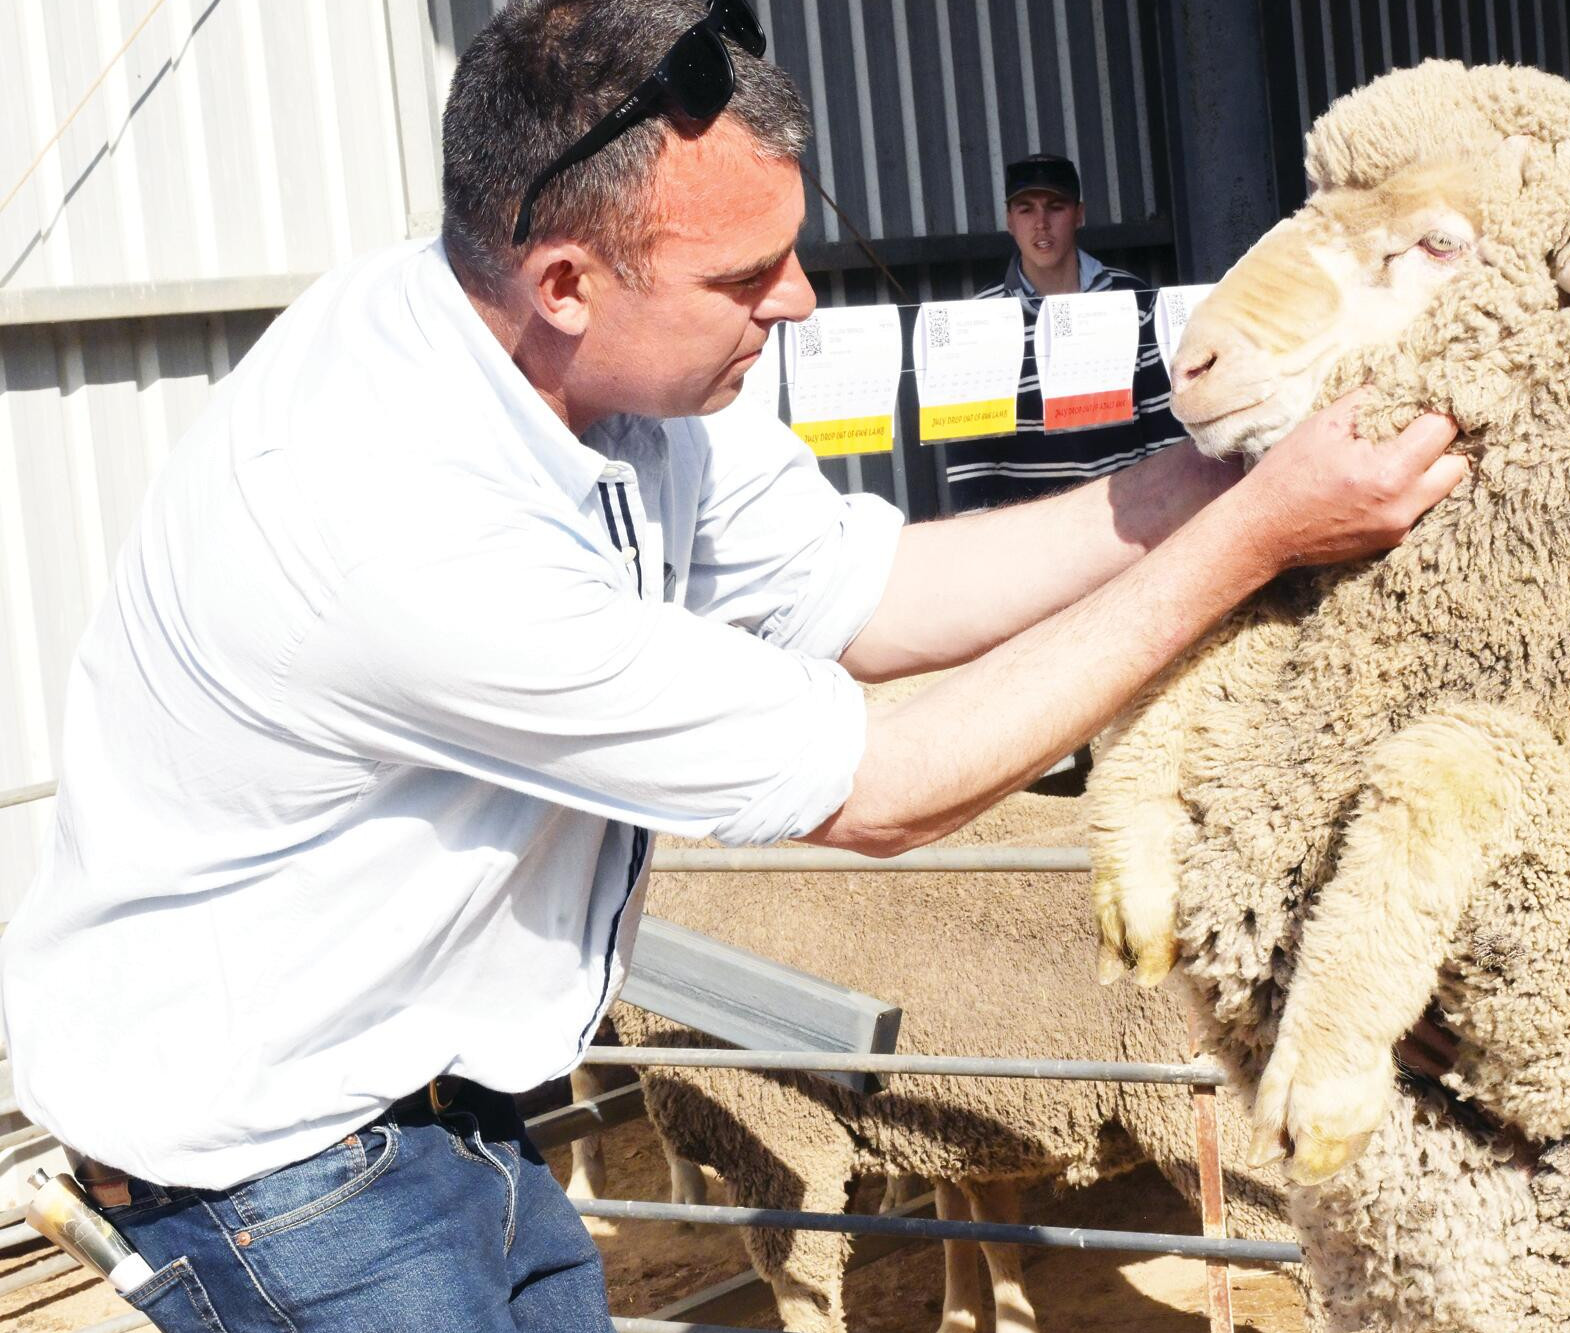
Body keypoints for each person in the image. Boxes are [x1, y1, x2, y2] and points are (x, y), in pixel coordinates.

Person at [0, 2, 1466, 1330]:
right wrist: (1263, 535)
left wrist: (1217, 484)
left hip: (451, 1108)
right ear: (568, 278)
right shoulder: (387, 517)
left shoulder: (607, 379)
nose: (801, 303)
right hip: (281, 1165)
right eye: (744, 274)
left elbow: (872, 589)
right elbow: (887, 783)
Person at [943, 153, 1186, 512]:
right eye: (1026, 209)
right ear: (1009, 220)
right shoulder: (978, 321)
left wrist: (1161, 519)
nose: (1041, 224)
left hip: (1127, 526)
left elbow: (1164, 432)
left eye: (1055, 207)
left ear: (1079, 214)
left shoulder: (1134, 301)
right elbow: (971, 462)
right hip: (1029, 540)